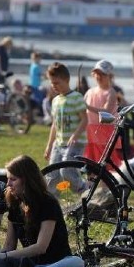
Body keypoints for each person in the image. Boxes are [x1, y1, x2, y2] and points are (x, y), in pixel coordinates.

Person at [0, 155, 85, 267]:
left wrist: (6, 256)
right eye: (8, 179)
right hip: (33, 266)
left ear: (26, 180)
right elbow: (9, 244)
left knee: (76, 263)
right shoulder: (15, 204)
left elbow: (41, 247)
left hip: (56, 264)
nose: (8, 184)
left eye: (13, 179)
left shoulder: (47, 203)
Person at [44, 62, 88, 190]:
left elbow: (84, 120)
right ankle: (52, 204)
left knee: (66, 172)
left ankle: (84, 190)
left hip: (75, 143)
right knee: (52, 174)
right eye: (52, 83)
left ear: (66, 80)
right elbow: (54, 125)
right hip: (58, 144)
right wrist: (49, 145)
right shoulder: (55, 100)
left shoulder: (76, 97)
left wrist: (75, 135)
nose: (54, 86)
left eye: (57, 83)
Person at [84, 60, 120, 163]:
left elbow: (106, 112)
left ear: (110, 76)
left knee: (105, 161)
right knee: (90, 159)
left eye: (102, 74)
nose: (98, 76)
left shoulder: (111, 92)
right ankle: (90, 178)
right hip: (90, 129)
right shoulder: (90, 91)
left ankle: (107, 178)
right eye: (96, 74)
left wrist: (88, 106)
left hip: (105, 130)